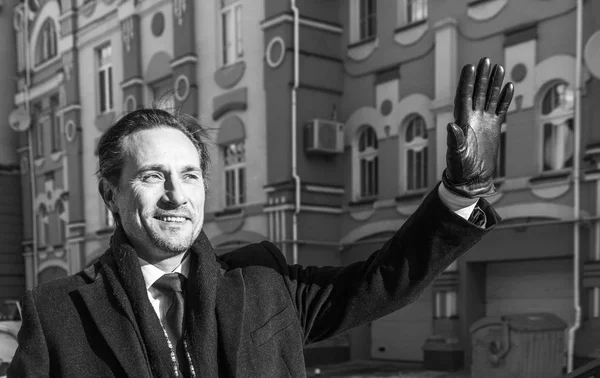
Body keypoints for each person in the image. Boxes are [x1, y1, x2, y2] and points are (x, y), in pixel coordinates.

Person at [8, 57, 513, 378]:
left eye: (188, 176)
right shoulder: (57, 313)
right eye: (151, 176)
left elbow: (383, 280)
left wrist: (458, 193)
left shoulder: (263, 280)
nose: (174, 195)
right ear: (110, 194)